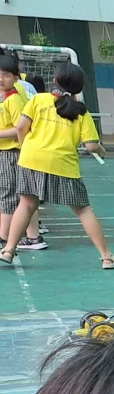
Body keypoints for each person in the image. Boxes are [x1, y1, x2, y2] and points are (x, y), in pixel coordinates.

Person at [0, 63, 114, 270]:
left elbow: (21, 127)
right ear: (79, 88)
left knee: (26, 205)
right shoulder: (82, 112)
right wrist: (101, 150)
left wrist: (26, 147)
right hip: (63, 165)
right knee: (83, 210)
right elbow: (91, 145)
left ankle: (9, 249)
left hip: (30, 160)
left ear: (54, 81)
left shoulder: (38, 100)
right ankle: (106, 257)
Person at [0, 56, 43, 253]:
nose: (1, 79)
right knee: (23, 197)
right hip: (9, 151)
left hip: (12, 152)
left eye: (6, 75)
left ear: (16, 78)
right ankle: (32, 236)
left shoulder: (14, 99)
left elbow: (21, 128)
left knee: (9, 196)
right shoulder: (5, 97)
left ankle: (4, 238)